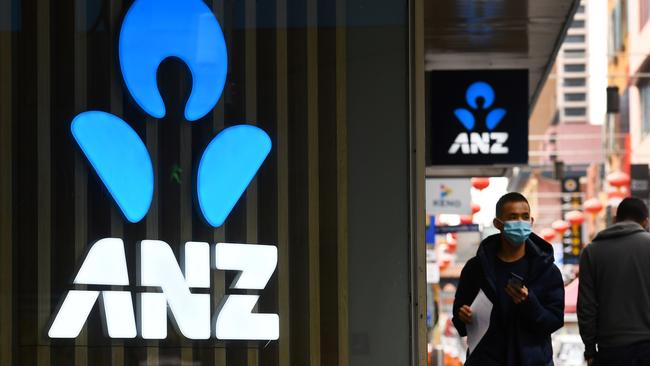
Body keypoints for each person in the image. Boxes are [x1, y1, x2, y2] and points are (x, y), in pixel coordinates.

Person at [452, 192, 565, 365]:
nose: (520, 222)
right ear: (498, 224)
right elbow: (460, 319)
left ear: (531, 222)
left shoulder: (547, 270)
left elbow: (554, 322)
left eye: (525, 217)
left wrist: (529, 302)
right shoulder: (476, 269)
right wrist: (463, 316)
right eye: (513, 217)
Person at [578, 197, 650, 365]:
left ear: (616, 219)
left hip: (610, 350)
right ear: (645, 221)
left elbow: (586, 306)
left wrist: (589, 350)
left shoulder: (592, 252)